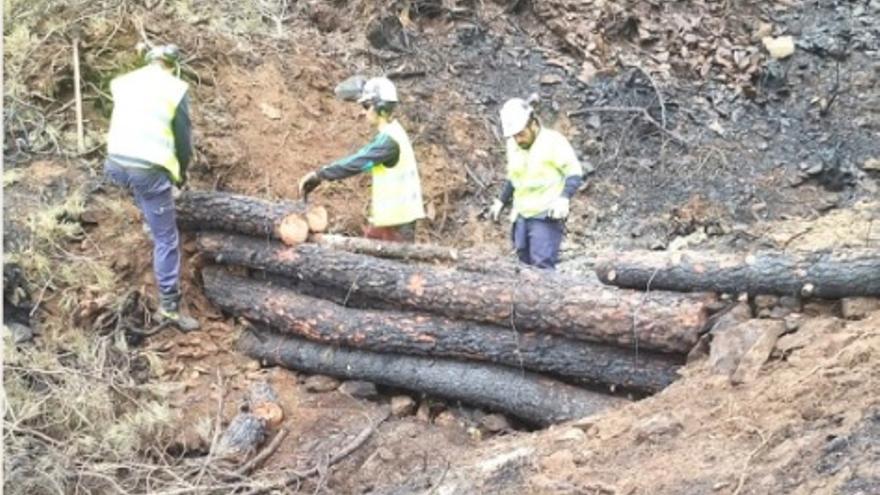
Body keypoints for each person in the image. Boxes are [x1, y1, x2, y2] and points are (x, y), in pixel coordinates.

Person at [104, 44, 199, 331]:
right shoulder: (174, 88)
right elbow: (183, 141)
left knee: (145, 197)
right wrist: (180, 174)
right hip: (146, 168)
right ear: (172, 65)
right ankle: (170, 308)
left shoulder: (124, 82)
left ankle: (150, 219)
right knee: (167, 238)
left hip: (115, 163)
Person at [298, 77, 425, 242]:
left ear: (381, 108)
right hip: (391, 220)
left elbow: (357, 163)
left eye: (366, 106)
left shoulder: (389, 141)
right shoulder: (393, 133)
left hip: (397, 223)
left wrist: (320, 175)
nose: (363, 112)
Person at [488, 97, 585, 270]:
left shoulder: (554, 142)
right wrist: (501, 201)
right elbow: (514, 176)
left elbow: (574, 173)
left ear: (532, 123)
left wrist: (564, 198)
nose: (518, 140)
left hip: (545, 215)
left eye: (521, 134)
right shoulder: (514, 144)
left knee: (542, 266)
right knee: (522, 266)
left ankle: (550, 297)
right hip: (522, 214)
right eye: (514, 136)